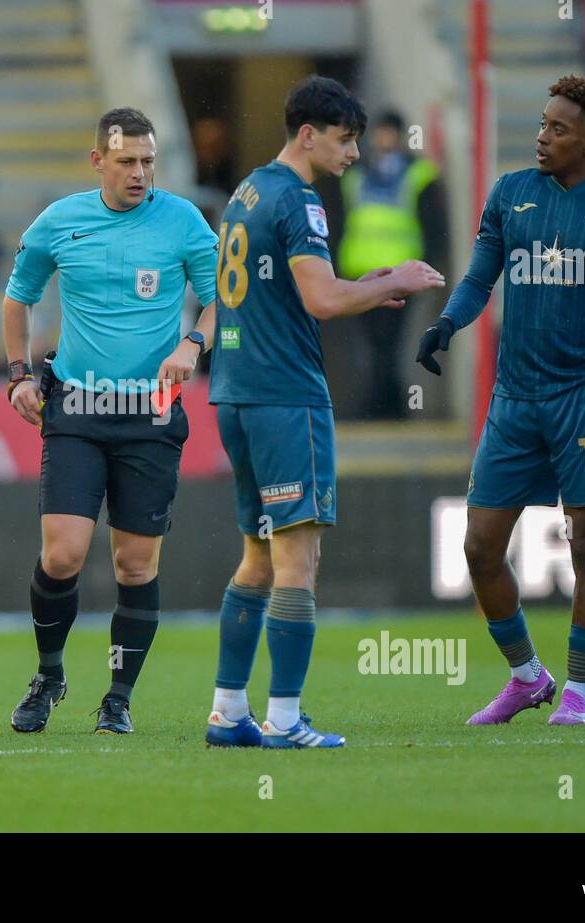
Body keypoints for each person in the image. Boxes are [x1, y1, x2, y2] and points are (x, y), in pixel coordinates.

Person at [203, 77, 445, 750]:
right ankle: (284, 719)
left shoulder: (248, 190)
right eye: (345, 140)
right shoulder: (299, 199)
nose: (354, 153)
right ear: (308, 135)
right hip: (288, 396)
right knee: (298, 564)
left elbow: (296, 291)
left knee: (256, 558)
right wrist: (394, 280)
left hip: (237, 392)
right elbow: (320, 302)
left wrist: (363, 286)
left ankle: (228, 712)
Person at [414, 75, 585, 726]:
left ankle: (578, 691)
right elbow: (479, 276)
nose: (541, 137)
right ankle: (528, 677)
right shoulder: (511, 193)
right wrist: (447, 322)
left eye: (557, 128)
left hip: (583, 396)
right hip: (515, 397)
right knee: (480, 547)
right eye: (542, 123)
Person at [3, 107, 219, 735]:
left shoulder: (182, 221)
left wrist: (193, 345)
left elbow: (223, 298)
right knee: (64, 554)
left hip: (150, 416)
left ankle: (118, 698)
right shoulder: (61, 220)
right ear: (98, 160)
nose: (140, 173)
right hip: (76, 407)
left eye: (149, 161)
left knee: (134, 566)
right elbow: (18, 296)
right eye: (127, 161)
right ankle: (48, 674)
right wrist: (18, 375)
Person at [329, 109, 447, 418]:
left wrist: (427, 268)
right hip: (361, 270)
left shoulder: (418, 173)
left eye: (390, 132)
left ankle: (380, 405)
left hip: (400, 275)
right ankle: (386, 404)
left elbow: (433, 224)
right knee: (373, 345)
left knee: (389, 345)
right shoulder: (356, 174)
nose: (385, 139)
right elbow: (340, 221)